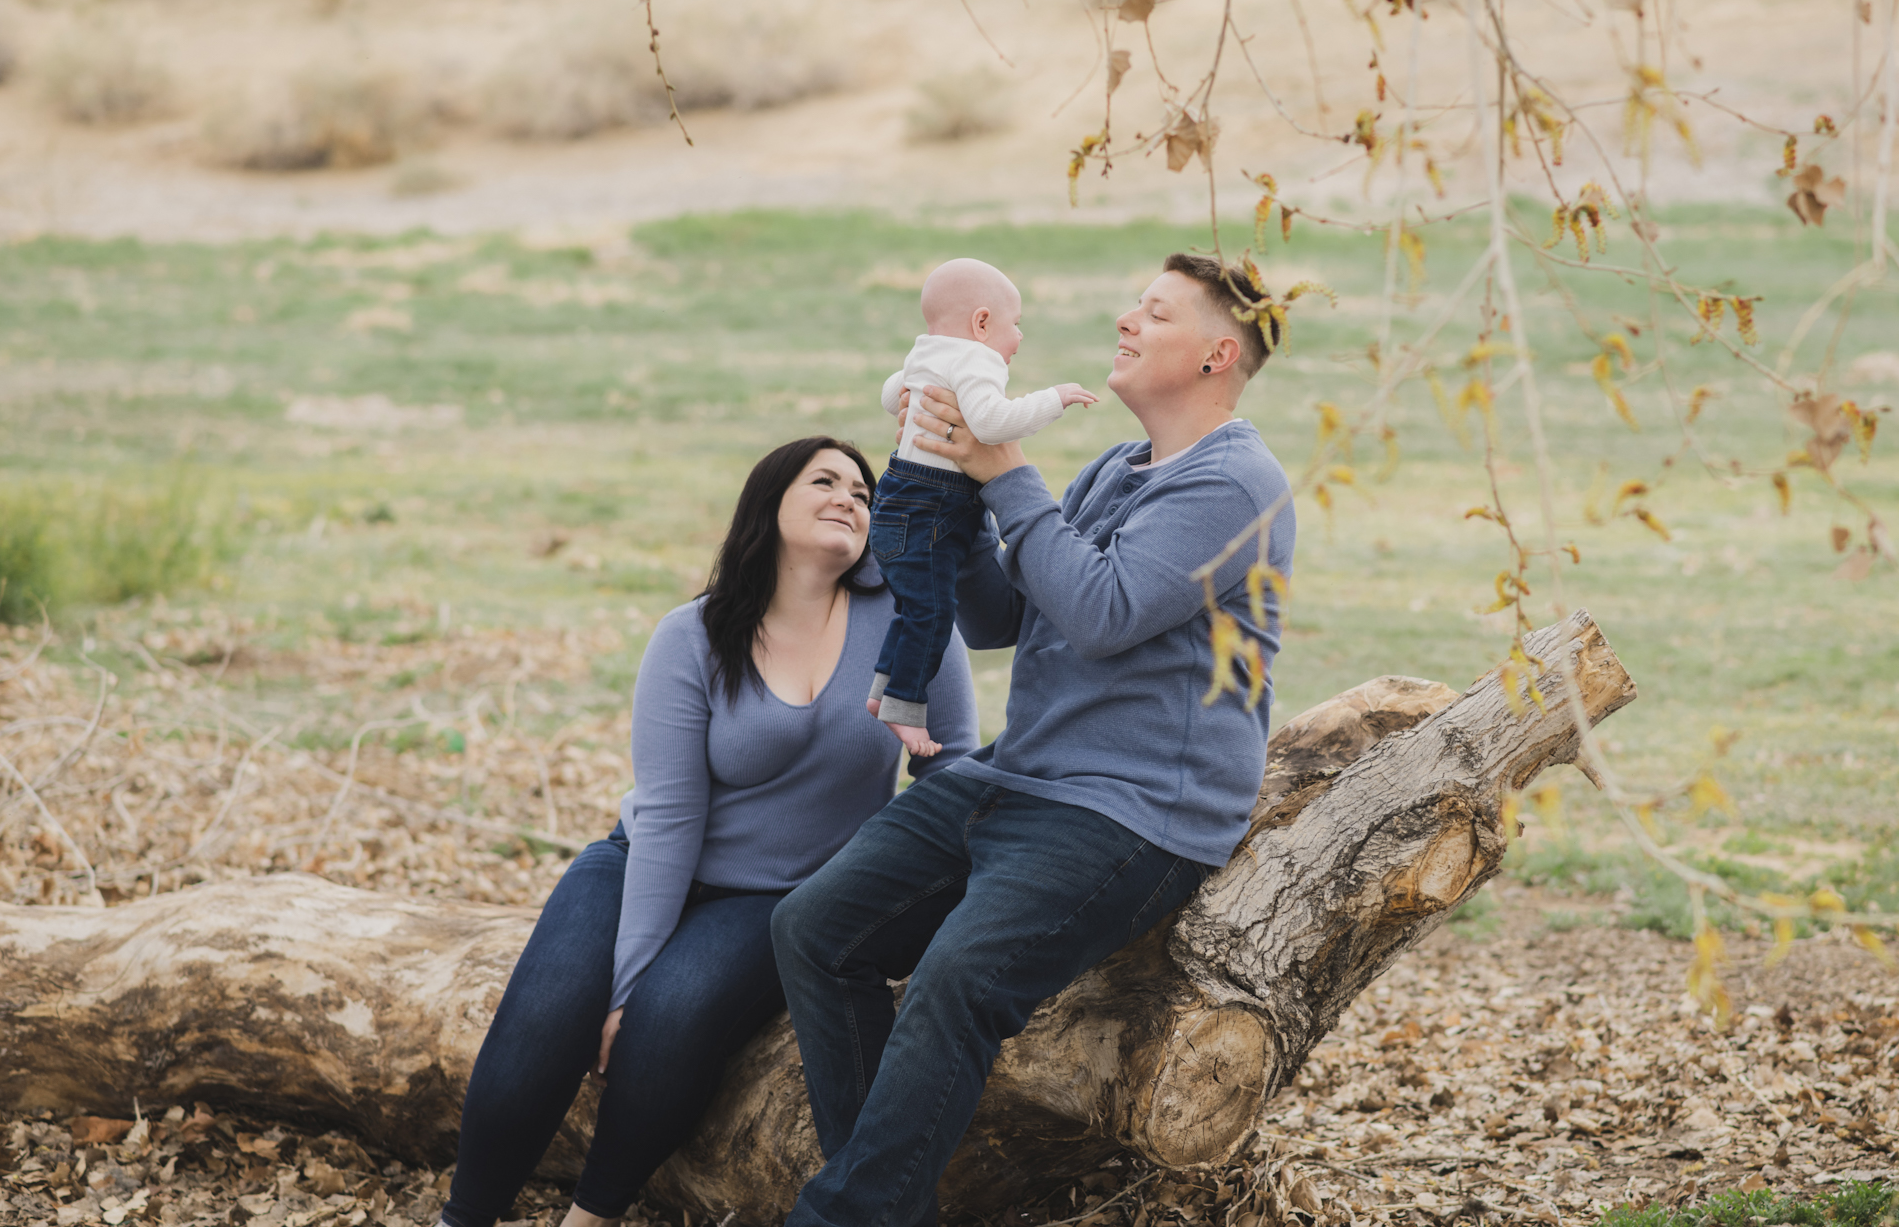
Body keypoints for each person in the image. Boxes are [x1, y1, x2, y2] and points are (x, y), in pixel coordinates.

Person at [771, 253, 1297, 1227]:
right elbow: (999, 617)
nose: (1125, 319)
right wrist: (950, 487)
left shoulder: (1235, 484)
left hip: (1131, 811)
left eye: (1155, 312)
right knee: (814, 929)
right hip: (1022, 777)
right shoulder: (1115, 468)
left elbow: (1101, 612)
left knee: (956, 981)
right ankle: (883, 1205)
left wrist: (1007, 473)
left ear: (1217, 354)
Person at [436, 437, 977, 1227]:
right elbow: (668, 816)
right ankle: (464, 1216)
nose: (849, 498)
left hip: (779, 894)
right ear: (769, 504)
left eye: (863, 493)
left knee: (667, 1021)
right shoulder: (694, 633)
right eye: (824, 480)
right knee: (546, 1017)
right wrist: (624, 981)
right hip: (643, 861)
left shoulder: (913, 623)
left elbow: (952, 771)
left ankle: (589, 1216)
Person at [868, 257, 1096, 756]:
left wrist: (910, 397)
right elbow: (991, 424)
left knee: (913, 604)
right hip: (933, 503)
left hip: (898, 493)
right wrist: (1053, 399)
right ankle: (905, 709)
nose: (1019, 337)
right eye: (1016, 324)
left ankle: (885, 690)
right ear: (982, 323)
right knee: (932, 612)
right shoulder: (977, 359)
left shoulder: (926, 351)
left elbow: (891, 395)